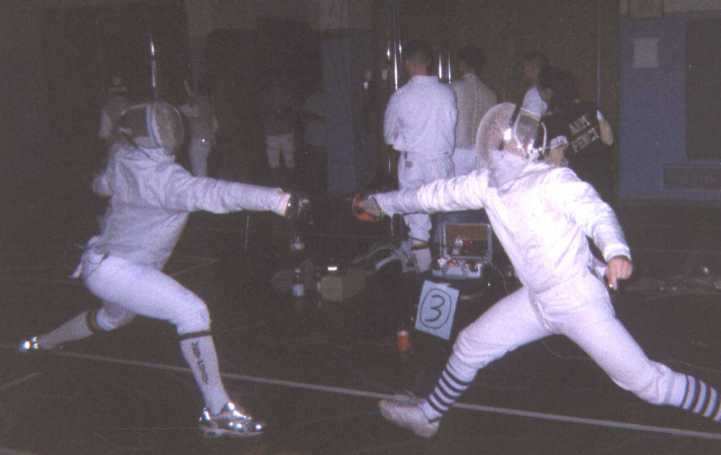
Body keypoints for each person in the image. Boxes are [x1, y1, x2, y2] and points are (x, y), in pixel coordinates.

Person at [356, 103, 721, 438]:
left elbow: (597, 214)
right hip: (535, 301)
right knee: (470, 345)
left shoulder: (553, 181)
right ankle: (429, 416)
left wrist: (616, 252)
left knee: (650, 385)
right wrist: (378, 203)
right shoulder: (486, 185)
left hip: (578, 301)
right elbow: (429, 195)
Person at [18, 100, 309, 439]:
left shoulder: (122, 158)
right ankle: (217, 410)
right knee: (192, 312)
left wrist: (101, 180)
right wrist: (277, 200)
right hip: (117, 270)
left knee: (111, 319)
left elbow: (102, 185)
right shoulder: (167, 181)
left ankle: (42, 342)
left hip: (102, 265)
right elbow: (218, 192)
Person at [383, 40, 457, 272]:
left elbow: (388, 136)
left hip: (413, 163)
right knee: (447, 216)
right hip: (441, 161)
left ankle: (424, 275)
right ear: (429, 62)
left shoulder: (400, 96)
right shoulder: (447, 93)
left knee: (418, 226)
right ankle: (452, 271)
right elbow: (450, 127)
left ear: (407, 63)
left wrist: (406, 140)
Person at [539, 66, 615, 201]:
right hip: (601, 181)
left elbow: (554, 161)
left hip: (575, 187)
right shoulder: (590, 107)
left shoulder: (549, 121)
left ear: (548, 92)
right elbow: (609, 139)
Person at [451, 45, 497, 175]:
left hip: (457, 152)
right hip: (480, 153)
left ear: (462, 64)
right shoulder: (491, 94)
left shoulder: (453, 88)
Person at [257, 74, 299, 187]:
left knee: (289, 161)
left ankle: (288, 185)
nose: (276, 83)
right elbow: (261, 113)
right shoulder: (264, 96)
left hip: (286, 132)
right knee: (273, 162)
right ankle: (277, 186)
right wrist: (271, 115)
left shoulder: (288, 94)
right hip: (271, 133)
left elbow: (295, 111)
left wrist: (285, 115)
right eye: (273, 81)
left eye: (278, 80)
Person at [180, 79, 218, 177]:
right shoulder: (209, 105)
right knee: (202, 171)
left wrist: (190, 99)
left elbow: (184, 110)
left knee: (199, 175)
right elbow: (215, 126)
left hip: (198, 142)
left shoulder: (197, 103)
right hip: (207, 143)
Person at [299, 86, 327, 194]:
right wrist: (318, 119)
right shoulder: (313, 98)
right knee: (314, 165)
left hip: (325, 139)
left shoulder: (332, 97)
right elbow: (304, 115)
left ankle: (318, 189)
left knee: (321, 166)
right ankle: (313, 190)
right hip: (315, 138)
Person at [98, 75, 131, 147]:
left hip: (133, 145)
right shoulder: (106, 110)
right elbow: (105, 135)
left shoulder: (132, 108)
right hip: (116, 146)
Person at [520, 51, 549, 117]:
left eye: (525, 67)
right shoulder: (541, 92)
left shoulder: (534, 95)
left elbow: (529, 123)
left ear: (536, 69)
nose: (523, 71)